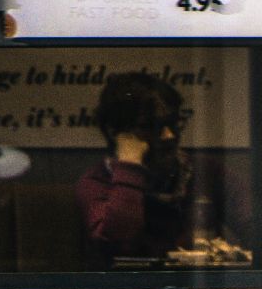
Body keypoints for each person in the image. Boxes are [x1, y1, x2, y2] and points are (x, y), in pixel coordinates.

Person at [76, 72, 192, 270]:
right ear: (116, 133)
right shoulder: (96, 183)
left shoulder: (203, 171)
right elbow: (121, 244)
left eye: (173, 123)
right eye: (151, 126)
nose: (169, 136)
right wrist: (130, 165)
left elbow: (255, 225)